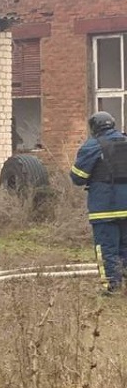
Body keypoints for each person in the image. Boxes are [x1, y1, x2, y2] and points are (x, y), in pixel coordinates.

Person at [70, 110, 127, 295]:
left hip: (104, 208)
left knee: (107, 249)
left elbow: (78, 177)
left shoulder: (93, 146)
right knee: (125, 247)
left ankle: (112, 287)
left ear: (94, 128)